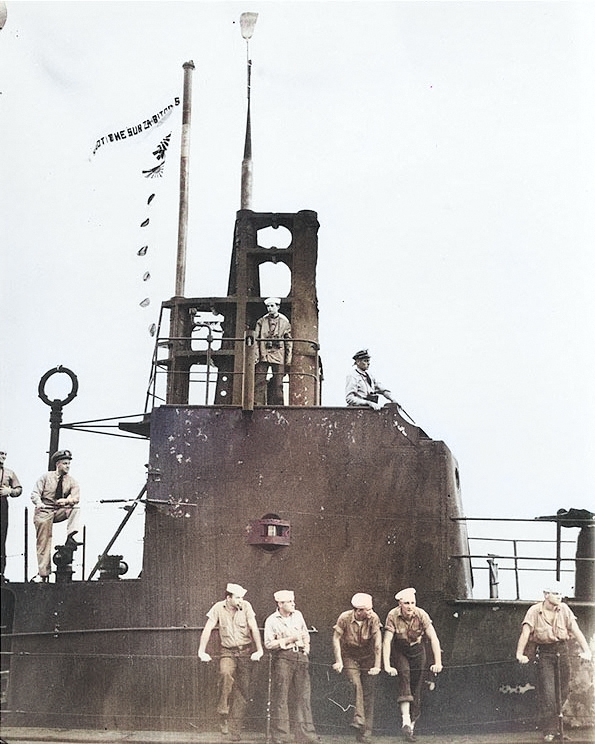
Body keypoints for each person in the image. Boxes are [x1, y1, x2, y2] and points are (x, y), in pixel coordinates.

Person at [515, 581, 592, 742]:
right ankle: (550, 731)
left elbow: (576, 630)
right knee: (549, 694)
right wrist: (520, 654)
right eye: (556, 593)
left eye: (560, 594)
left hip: (563, 651)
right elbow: (525, 633)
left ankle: (556, 729)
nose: (559, 596)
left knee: (563, 691)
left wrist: (587, 650)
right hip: (545, 654)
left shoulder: (564, 609)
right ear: (546, 595)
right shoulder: (534, 611)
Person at [197, 583, 264, 740]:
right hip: (227, 651)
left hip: (245, 652)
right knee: (225, 674)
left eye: (242, 597)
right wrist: (201, 651)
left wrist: (259, 650)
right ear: (228, 598)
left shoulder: (246, 606)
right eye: (238, 597)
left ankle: (235, 728)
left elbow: (253, 628)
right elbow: (207, 629)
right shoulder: (218, 608)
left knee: (243, 689)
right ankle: (223, 713)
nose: (241, 600)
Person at [383, 588, 443, 742]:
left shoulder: (421, 614)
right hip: (400, 650)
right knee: (404, 675)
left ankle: (411, 728)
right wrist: (387, 665)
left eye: (412, 603)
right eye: (406, 603)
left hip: (417, 650)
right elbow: (387, 641)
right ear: (400, 604)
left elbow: (434, 638)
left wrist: (438, 662)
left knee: (417, 686)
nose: (410, 606)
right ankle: (405, 720)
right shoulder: (392, 615)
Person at [264, 590, 318, 744]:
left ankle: (306, 735)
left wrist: (306, 649)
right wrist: (289, 640)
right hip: (283, 658)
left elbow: (305, 634)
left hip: (300, 656)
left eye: (293, 601)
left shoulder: (298, 615)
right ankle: (281, 737)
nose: (293, 604)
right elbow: (268, 643)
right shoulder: (271, 620)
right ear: (280, 604)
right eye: (290, 602)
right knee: (281, 696)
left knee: (303, 696)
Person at [332, 593, 382, 742]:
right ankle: (359, 719)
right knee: (356, 684)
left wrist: (377, 665)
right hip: (350, 655)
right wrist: (339, 660)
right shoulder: (344, 618)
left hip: (368, 655)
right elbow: (336, 638)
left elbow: (378, 643)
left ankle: (365, 733)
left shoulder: (374, 618)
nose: (371, 612)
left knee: (369, 691)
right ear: (359, 611)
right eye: (368, 609)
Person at [31, 449, 82, 583]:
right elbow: (35, 493)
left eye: (69, 463)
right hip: (44, 511)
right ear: (58, 464)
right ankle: (43, 574)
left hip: (59, 510)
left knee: (75, 508)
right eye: (65, 463)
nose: (67, 466)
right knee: (44, 541)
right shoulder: (46, 477)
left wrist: (66, 501)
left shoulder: (72, 481)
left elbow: (76, 498)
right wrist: (39, 503)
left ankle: (72, 535)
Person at [254, 297, 292, 406]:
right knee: (259, 382)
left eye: (272, 306)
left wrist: (287, 361)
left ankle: (279, 406)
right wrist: (256, 355)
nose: (270, 308)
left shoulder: (285, 323)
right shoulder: (261, 322)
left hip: (279, 356)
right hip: (263, 355)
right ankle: (258, 405)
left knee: (278, 383)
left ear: (278, 307)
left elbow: (289, 343)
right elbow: (256, 340)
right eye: (268, 306)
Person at [0, 449, 22, 582]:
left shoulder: (9, 472)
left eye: (5, 454)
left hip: (2, 504)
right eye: (1, 453)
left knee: (1, 538)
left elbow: (19, 489)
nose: (3, 456)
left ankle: (0, 572)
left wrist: (10, 491)